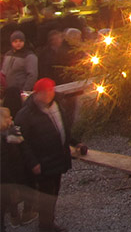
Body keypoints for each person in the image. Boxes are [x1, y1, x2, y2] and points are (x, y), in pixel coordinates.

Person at [16, 78, 84, 232]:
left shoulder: (57, 105)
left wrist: (75, 142)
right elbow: (22, 142)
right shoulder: (26, 115)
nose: (49, 94)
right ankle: (45, 226)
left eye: (51, 90)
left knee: (54, 193)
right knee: (46, 195)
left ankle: (48, 223)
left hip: (58, 158)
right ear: (36, 93)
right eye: (45, 92)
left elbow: (61, 129)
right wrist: (32, 162)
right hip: (42, 161)